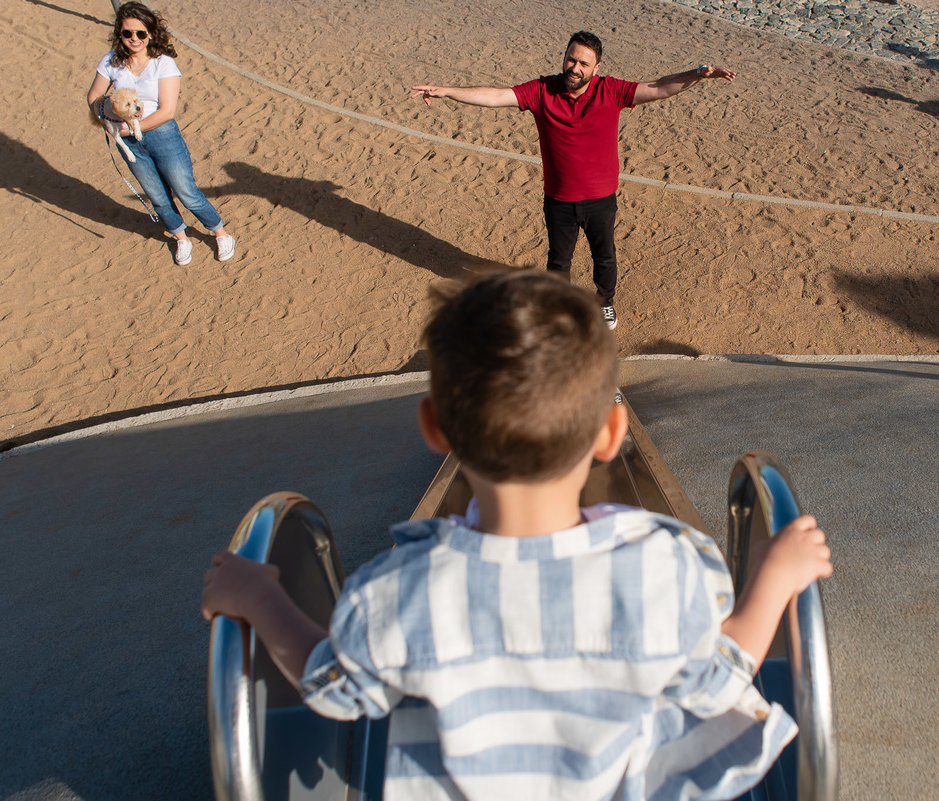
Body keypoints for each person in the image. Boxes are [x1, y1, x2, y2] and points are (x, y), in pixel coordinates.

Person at [202, 271, 833, 801]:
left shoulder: (396, 592)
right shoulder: (665, 568)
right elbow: (721, 677)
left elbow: (333, 688)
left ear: (435, 429)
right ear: (613, 436)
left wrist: (261, 599)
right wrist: (776, 576)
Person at [410, 31, 735, 330]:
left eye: (583, 63)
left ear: (596, 67)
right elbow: (496, 96)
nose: (575, 67)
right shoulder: (541, 91)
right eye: (571, 59)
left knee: (604, 257)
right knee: (558, 261)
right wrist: (447, 91)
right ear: (564, 57)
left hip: (600, 200)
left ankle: (605, 302)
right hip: (559, 200)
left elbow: (658, 88)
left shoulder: (612, 90)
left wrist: (697, 74)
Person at [86, 2, 235, 265]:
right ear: (119, 34)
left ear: (151, 34)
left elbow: (167, 111)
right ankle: (181, 238)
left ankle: (220, 232)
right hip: (128, 142)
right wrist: (106, 109)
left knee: (185, 190)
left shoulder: (163, 63)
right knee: (157, 195)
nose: (134, 39)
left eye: (140, 33)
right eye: (127, 33)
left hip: (162, 134)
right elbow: (93, 97)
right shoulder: (111, 61)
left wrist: (131, 127)